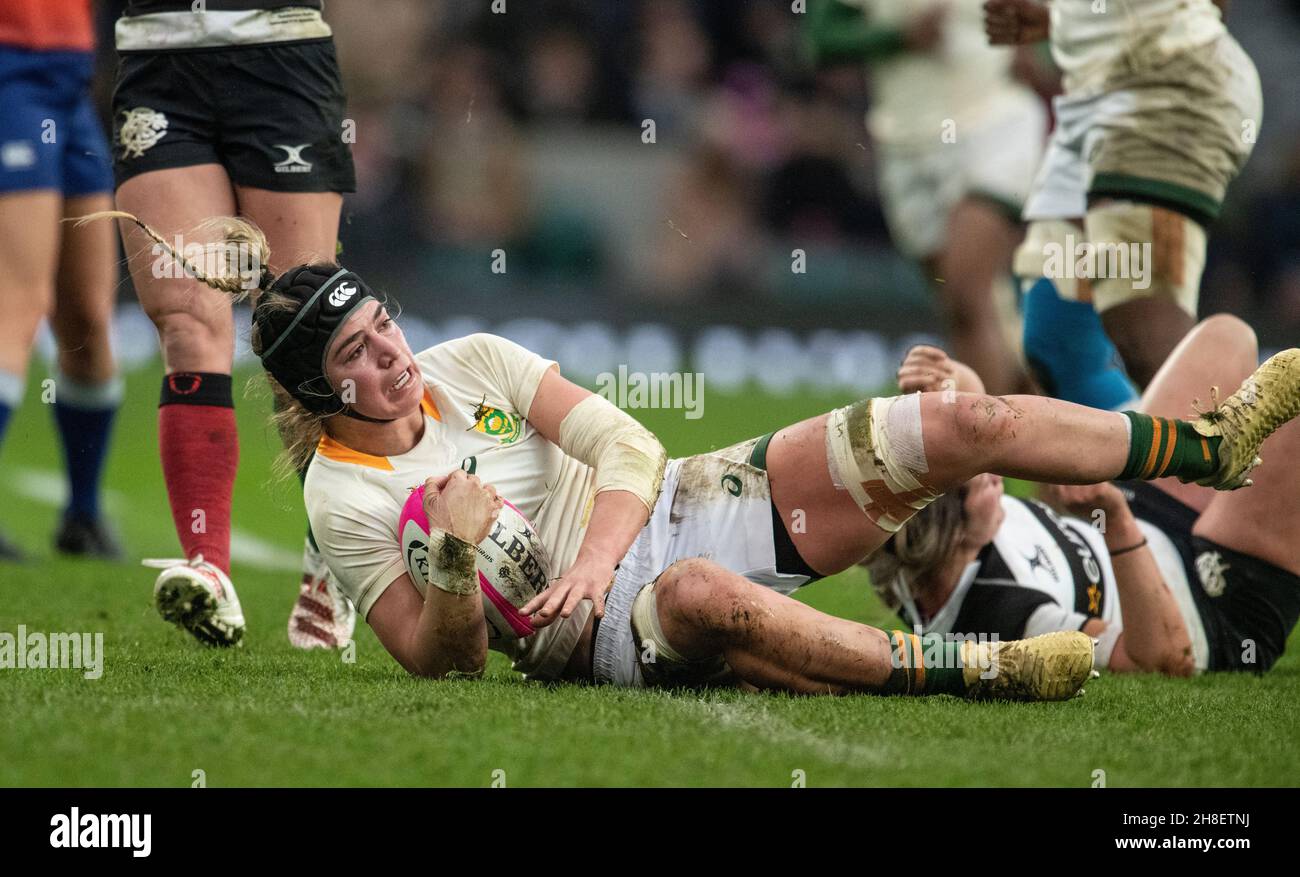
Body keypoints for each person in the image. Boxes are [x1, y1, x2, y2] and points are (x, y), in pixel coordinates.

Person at [89, 211, 1300, 700]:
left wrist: (595, 542)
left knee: (957, 428)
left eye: (384, 325)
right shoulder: (345, 498)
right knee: (699, 600)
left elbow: (623, 438)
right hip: (595, 635)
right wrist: (455, 571)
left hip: (679, 499)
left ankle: (1203, 440)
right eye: (356, 354)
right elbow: (435, 662)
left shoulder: (470, 362)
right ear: (316, 388)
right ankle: (981, 670)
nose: (393, 355)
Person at [107, 0, 356, 648]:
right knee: (187, 320)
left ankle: (331, 559)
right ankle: (208, 567)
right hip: (159, 52)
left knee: (301, 323)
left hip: (279, 48)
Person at [872, 319, 1300, 675]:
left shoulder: (914, 549)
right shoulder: (1004, 612)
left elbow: (964, 418)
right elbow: (1166, 657)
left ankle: (1218, 456)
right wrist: (1115, 520)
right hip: (1211, 611)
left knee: (1226, 335)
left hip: (1151, 525)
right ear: (951, 530)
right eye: (977, 479)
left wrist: (938, 375)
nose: (990, 471)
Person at [984, 0, 1261, 390]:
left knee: (1147, 342)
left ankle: (1240, 449)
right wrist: (1064, 19)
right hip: (1092, 96)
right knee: (1058, 344)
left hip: (1164, 84)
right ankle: (1155, 447)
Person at [807, 0, 1047, 395]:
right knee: (973, 311)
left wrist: (1038, 51)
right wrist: (897, 36)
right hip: (905, 144)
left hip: (995, 121)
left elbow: (1055, 19)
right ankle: (1030, 422)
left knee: (964, 291)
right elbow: (821, 40)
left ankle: (987, 438)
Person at [0, 0, 123, 560]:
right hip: (11, 69)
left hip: (70, 77)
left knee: (87, 320)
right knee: (19, 302)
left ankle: (82, 516)